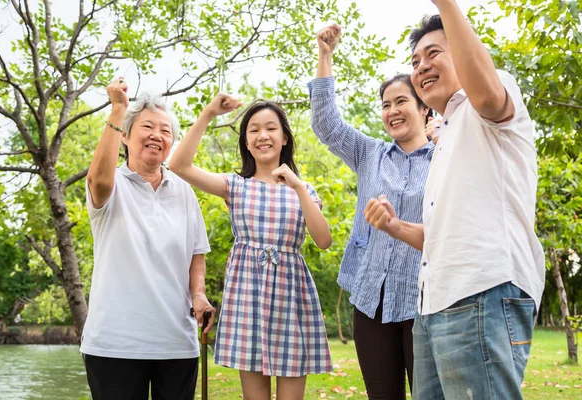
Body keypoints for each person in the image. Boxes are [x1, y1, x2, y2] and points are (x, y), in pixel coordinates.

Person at [364, 3, 545, 399]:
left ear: (462, 54)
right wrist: (395, 226)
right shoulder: (445, 138)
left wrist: (445, 5)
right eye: (415, 60)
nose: (422, 66)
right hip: (433, 304)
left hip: (482, 290)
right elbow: (440, 237)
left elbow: (484, 90)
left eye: (434, 54)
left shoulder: (492, 98)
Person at [168, 96, 333, 400]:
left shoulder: (304, 189)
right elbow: (179, 165)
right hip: (248, 298)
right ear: (246, 141)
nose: (263, 136)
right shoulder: (235, 186)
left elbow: (323, 240)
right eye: (253, 130)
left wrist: (297, 186)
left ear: (284, 138)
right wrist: (208, 114)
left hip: (291, 299)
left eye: (271, 128)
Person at [310, 24, 435, 399]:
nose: (392, 110)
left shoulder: (446, 157)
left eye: (401, 102)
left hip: (425, 304)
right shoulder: (370, 154)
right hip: (371, 303)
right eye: (386, 104)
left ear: (424, 108)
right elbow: (326, 125)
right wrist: (325, 55)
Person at [82, 77, 215, 400]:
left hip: (176, 343)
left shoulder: (184, 191)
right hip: (114, 344)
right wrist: (118, 109)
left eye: (166, 131)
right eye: (147, 127)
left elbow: (196, 251)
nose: (157, 135)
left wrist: (198, 294)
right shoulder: (111, 184)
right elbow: (97, 180)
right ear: (125, 136)